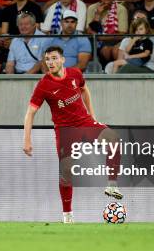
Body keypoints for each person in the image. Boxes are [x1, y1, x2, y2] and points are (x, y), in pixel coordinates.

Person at [23, 45, 122, 224]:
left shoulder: (75, 74)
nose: (50, 62)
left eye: (54, 58)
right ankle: (67, 215)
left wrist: (92, 116)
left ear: (62, 60)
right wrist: (27, 140)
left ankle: (112, 184)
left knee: (113, 139)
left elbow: (84, 90)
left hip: (84, 123)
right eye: (47, 59)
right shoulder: (44, 85)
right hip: (65, 130)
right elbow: (30, 112)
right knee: (66, 172)